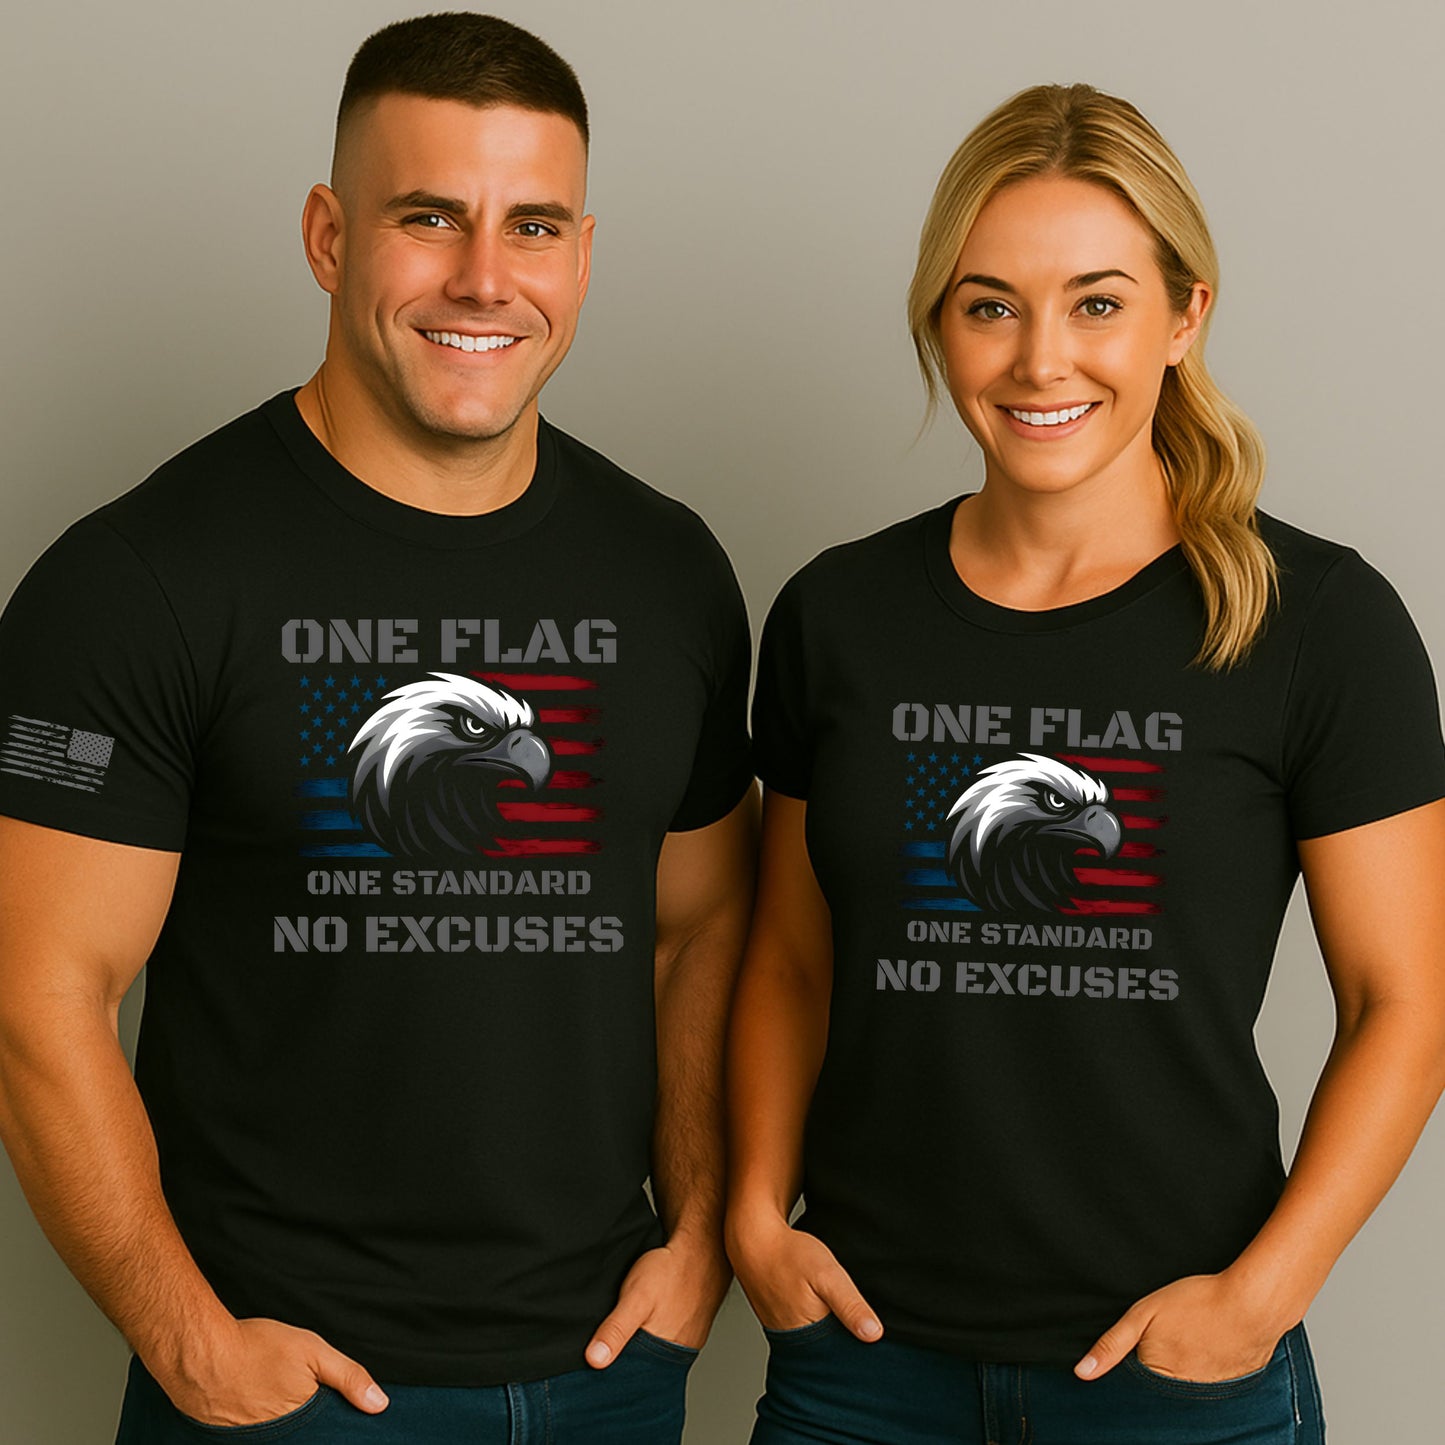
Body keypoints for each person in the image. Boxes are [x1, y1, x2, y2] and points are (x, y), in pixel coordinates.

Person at [0, 14, 756, 1444]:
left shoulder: (667, 571)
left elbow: (699, 927)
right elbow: (38, 996)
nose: (485, 277)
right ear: (329, 235)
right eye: (428, 217)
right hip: (287, 1393)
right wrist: (193, 1343)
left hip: (605, 1375)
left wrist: (700, 1227)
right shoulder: (137, 580)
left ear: (581, 252)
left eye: (531, 225)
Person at [727, 82, 1445, 1444]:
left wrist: (1258, 1297)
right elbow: (787, 956)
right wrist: (759, 1217)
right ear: (939, 323)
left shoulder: (1316, 621)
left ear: (1187, 314)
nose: (1038, 358)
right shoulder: (840, 614)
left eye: (1096, 302)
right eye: (988, 303)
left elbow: (1404, 1001)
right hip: (861, 1365)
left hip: (1174, 1377)